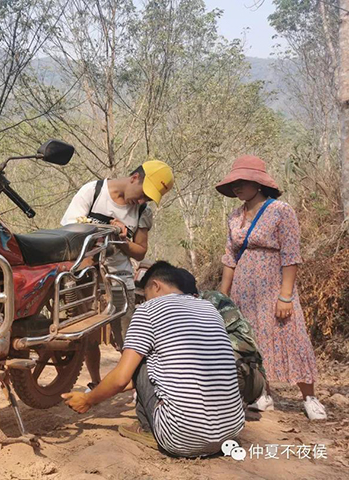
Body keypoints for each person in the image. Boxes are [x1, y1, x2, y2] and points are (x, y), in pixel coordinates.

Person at [62, 261, 245, 458]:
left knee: (139, 359)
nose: (145, 301)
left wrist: (88, 399)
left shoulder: (149, 310)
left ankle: (149, 429)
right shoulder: (210, 310)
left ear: (156, 286)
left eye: (146, 295)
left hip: (182, 439)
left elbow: (122, 377)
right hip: (230, 433)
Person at [216, 155, 326, 420]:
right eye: (234, 183)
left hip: (273, 285)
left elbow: (291, 255)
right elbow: (230, 258)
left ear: (258, 183)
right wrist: (223, 296)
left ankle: (309, 397)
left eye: (242, 181)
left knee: (291, 334)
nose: (237, 187)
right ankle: (263, 394)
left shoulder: (281, 211)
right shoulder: (234, 216)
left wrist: (285, 295)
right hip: (244, 288)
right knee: (251, 340)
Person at [60, 161, 174, 390]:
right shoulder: (93, 192)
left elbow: (140, 252)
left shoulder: (142, 212)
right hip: (85, 273)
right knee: (87, 332)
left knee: (127, 334)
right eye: (142, 194)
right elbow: (68, 231)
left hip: (118, 276)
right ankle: (95, 382)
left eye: (147, 199)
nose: (141, 201)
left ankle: (138, 386)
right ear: (134, 178)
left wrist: (122, 239)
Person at [176, 268, 266, 406]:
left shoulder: (216, 302)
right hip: (197, 381)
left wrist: (202, 344)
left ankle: (229, 409)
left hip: (247, 376)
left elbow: (248, 343)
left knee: (220, 357)